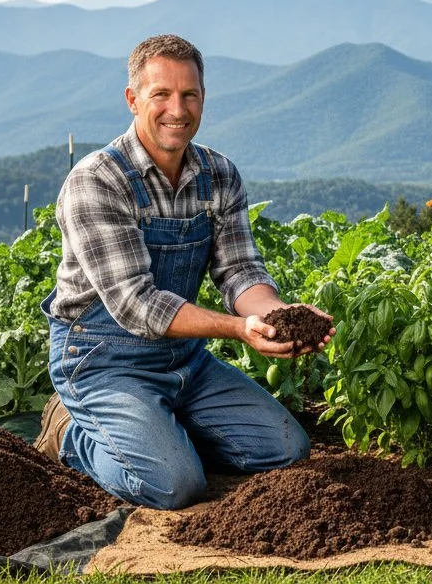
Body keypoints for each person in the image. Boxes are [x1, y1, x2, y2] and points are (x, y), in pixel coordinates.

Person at [35, 34, 332, 510]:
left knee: (286, 450)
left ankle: (159, 428)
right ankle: (72, 433)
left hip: (183, 360)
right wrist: (239, 329)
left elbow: (239, 269)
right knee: (174, 486)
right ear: (133, 100)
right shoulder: (98, 181)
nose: (178, 108)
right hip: (103, 360)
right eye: (161, 94)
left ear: (203, 98)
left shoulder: (218, 174)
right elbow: (137, 305)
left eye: (189, 94)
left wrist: (279, 316)